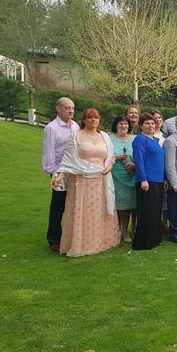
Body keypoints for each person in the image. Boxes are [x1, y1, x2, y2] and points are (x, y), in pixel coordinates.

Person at [50, 108, 120, 257]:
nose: (93, 120)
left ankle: (100, 240)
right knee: (84, 211)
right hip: (82, 180)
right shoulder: (76, 136)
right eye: (89, 118)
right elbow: (68, 160)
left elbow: (111, 157)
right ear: (83, 120)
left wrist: (109, 166)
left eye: (96, 118)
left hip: (101, 179)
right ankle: (82, 243)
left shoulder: (105, 136)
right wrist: (59, 177)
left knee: (100, 211)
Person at [42, 97, 79, 252]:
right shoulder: (51, 128)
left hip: (75, 170)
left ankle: (71, 235)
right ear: (58, 109)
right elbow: (49, 152)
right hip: (59, 172)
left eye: (72, 108)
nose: (70, 111)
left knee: (73, 204)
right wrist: (54, 173)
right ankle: (54, 238)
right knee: (58, 206)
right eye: (67, 108)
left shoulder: (75, 126)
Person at [132, 113, 165, 250]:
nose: (151, 125)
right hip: (147, 180)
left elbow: (159, 162)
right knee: (147, 212)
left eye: (152, 123)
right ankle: (144, 242)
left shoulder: (155, 141)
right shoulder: (140, 140)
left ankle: (155, 238)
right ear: (141, 126)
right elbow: (139, 161)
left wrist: (164, 179)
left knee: (156, 211)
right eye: (147, 123)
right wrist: (143, 179)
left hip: (157, 180)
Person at [109, 116, 137, 242]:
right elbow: (104, 157)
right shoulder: (109, 139)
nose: (124, 126)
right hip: (117, 175)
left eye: (126, 124)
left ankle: (134, 226)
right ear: (116, 125)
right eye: (121, 123)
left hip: (134, 174)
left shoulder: (134, 139)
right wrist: (117, 157)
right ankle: (123, 230)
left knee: (133, 203)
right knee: (122, 204)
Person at [149, 108, 168, 233]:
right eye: (155, 118)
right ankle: (154, 224)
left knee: (165, 200)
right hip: (152, 173)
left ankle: (165, 223)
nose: (157, 120)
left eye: (159, 118)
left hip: (164, 171)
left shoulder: (166, 136)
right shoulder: (149, 136)